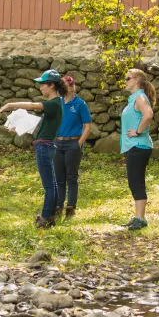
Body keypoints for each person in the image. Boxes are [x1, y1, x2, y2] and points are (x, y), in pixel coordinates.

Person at [0, 69, 67, 228]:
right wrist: (18, 126)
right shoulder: (56, 105)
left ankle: (44, 218)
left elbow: (31, 105)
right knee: (53, 184)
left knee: (49, 186)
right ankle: (51, 216)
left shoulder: (53, 103)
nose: (40, 88)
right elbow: (40, 125)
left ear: (51, 86)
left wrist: (9, 105)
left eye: (43, 84)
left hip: (44, 147)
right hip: (47, 145)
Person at [121, 68, 155, 230]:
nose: (125, 81)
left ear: (136, 81)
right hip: (136, 146)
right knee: (136, 181)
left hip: (139, 145)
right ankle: (138, 217)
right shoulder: (135, 98)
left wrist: (138, 131)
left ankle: (140, 219)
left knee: (136, 182)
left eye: (128, 78)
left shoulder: (140, 97)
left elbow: (148, 114)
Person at [54, 76, 92, 217]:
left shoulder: (80, 104)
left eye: (64, 86)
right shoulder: (57, 103)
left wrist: (78, 144)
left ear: (71, 87)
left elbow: (87, 126)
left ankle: (71, 207)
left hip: (72, 143)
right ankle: (58, 206)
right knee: (59, 177)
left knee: (71, 176)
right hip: (57, 143)